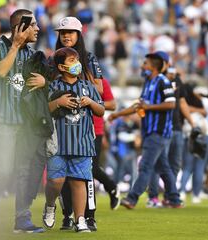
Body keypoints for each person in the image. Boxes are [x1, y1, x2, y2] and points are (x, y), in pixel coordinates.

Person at [0, 9, 47, 233]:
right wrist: (16, 45)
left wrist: (44, 80)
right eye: (33, 25)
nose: (38, 29)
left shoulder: (32, 54)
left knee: (23, 171)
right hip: (3, 121)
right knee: (4, 170)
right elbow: (0, 71)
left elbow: (39, 82)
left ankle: (22, 220)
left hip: (25, 123)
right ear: (21, 27)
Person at [53, 16, 119, 231]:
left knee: (85, 174)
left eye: (70, 32)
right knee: (61, 177)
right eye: (63, 32)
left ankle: (88, 217)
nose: (66, 36)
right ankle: (67, 214)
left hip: (82, 125)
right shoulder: (52, 58)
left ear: (79, 35)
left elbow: (100, 90)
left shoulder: (88, 58)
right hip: (58, 126)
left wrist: (78, 76)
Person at [109, 53, 182, 209]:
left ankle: (132, 198)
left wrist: (149, 107)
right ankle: (175, 199)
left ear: (154, 67)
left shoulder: (164, 82)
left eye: (145, 64)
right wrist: (117, 115)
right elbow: (139, 106)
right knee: (163, 168)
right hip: (150, 132)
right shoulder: (148, 82)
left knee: (145, 166)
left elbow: (171, 104)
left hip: (159, 132)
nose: (142, 66)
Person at [42, 47, 104, 233]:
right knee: (56, 181)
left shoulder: (88, 87)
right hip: (57, 144)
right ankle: (50, 205)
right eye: (71, 61)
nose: (77, 64)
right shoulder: (53, 87)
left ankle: (80, 220)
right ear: (61, 66)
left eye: (77, 60)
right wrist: (58, 103)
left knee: (79, 182)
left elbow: (101, 111)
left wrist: (91, 102)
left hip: (82, 143)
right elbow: (42, 111)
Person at [147, 54, 194, 207]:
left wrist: (192, 122)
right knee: (158, 163)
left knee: (174, 164)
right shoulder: (155, 80)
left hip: (177, 127)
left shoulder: (176, 80)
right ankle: (153, 197)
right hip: (161, 128)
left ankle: (169, 196)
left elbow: (182, 103)